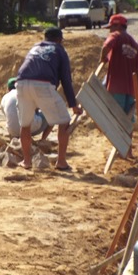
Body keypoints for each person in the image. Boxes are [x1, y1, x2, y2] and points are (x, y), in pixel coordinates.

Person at [15, 27, 82, 171]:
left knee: (25, 124)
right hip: (43, 85)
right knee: (64, 121)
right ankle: (61, 162)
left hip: (20, 83)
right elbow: (66, 80)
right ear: (59, 40)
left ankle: (26, 162)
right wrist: (73, 105)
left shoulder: (35, 47)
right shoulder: (59, 50)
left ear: (44, 38)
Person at [100, 14, 138, 116]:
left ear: (118, 26)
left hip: (116, 87)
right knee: (127, 121)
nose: (110, 31)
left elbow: (106, 47)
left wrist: (102, 58)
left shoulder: (116, 35)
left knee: (115, 118)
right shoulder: (135, 45)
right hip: (131, 90)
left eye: (111, 27)